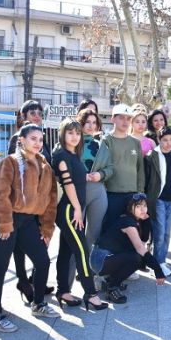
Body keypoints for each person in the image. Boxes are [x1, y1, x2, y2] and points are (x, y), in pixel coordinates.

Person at [0, 124, 59, 332]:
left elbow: (51, 201)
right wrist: (4, 224)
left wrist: (47, 229)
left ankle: (38, 304)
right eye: (33, 139)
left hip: (28, 222)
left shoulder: (45, 165)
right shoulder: (9, 162)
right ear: (22, 140)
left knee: (43, 261)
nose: (37, 143)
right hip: (7, 220)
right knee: (0, 266)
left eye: (40, 139)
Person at [51, 119, 108, 311]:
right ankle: (91, 294)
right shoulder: (61, 155)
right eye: (70, 133)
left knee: (66, 251)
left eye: (77, 133)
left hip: (73, 209)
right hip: (69, 210)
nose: (74, 136)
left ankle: (63, 291)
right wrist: (77, 208)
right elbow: (67, 184)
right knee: (83, 251)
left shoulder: (73, 154)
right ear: (62, 134)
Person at [7, 100, 53, 301]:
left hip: (40, 204)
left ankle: (36, 279)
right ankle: (23, 280)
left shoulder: (42, 140)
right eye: (32, 112)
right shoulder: (18, 139)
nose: (36, 116)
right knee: (19, 245)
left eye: (39, 113)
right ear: (22, 116)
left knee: (41, 241)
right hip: (21, 205)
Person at [92, 194, 166, 304]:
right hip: (100, 259)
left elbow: (143, 240)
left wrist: (146, 221)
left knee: (138, 257)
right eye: (138, 206)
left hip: (107, 258)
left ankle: (108, 282)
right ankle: (112, 287)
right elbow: (141, 249)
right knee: (137, 258)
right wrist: (158, 270)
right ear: (131, 208)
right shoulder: (128, 222)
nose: (143, 209)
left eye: (145, 206)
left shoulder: (135, 220)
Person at [102, 104, 145, 236]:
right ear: (113, 119)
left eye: (128, 118)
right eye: (121, 118)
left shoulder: (135, 142)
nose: (125, 122)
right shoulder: (106, 140)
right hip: (111, 195)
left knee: (131, 232)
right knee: (111, 230)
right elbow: (102, 167)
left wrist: (140, 193)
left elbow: (140, 169)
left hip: (132, 196)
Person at [145, 127, 171, 276]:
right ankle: (157, 264)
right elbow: (147, 179)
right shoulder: (152, 156)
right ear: (159, 140)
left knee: (167, 233)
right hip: (158, 198)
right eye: (165, 140)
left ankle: (162, 261)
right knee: (159, 233)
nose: (168, 143)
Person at [78, 109, 113, 250]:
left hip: (98, 190)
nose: (91, 126)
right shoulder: (72, 141)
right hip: (77, 190)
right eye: (87, 122)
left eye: (94, 122)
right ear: (81, 123)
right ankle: (72, 269)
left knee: (94, 232)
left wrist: (101, 174)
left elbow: (111, 168)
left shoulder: (101, 145)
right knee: (75, 232)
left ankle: (88, 269)